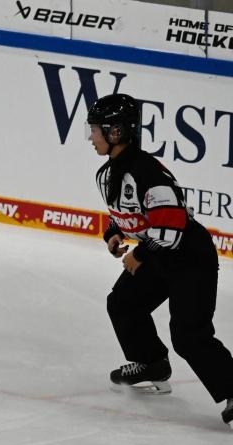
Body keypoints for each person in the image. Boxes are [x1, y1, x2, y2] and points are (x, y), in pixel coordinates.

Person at [86, 93, 233, 427]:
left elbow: (173, 227)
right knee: (122, 303)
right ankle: (151, 363)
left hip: (190, 257)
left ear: (117, 133)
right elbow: (126, 215)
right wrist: (113, 233)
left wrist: (139, 253)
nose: (91, 137)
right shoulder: (107, 175)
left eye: (96, 129)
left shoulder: (146, 172)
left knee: (188, 334)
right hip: (160, 251)